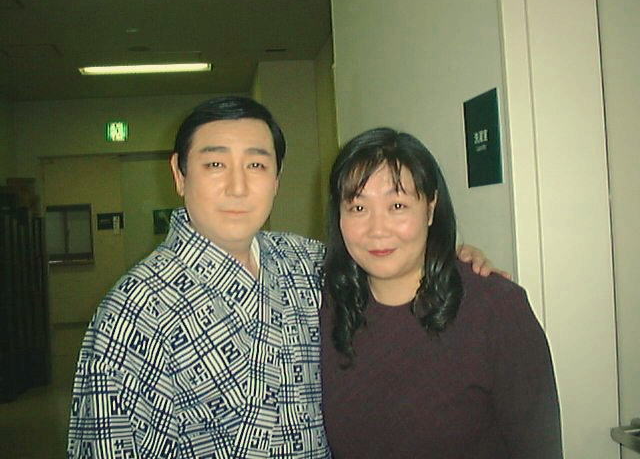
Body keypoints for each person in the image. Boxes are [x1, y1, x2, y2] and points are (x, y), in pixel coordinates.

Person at [67, 97, 499, 458]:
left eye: (256, 166)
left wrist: (453, 258)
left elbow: (382, 260)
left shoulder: (302, 262)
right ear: (180, 174)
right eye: (215, 164)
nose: (237, 187)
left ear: (276, 179)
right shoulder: (131, 314)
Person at [321, 128, 562, 458]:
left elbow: (540, 448)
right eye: (358, 208)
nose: (377, 230)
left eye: (397, 205)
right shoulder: (324, 309)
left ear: (431, 209)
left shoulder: (496, 309)